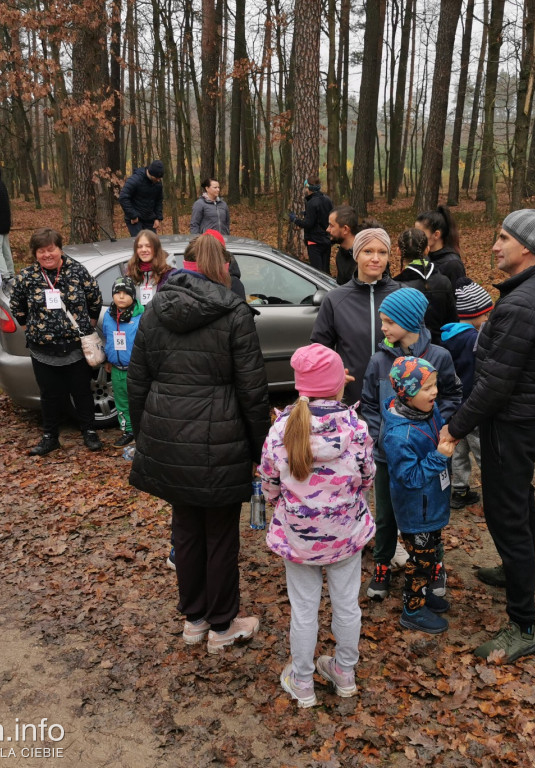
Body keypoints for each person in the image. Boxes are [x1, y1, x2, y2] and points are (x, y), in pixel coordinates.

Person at [127, 233, 269, 654]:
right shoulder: (235, 312)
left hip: (168, 440)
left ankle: (195, 619)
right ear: (223, 267)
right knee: (220, 535)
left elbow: (138, 380)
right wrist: (260, 450)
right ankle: (222, 625)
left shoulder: (155, 310)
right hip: (221, 441)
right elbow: (253, 391)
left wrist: (145, 436)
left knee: (186, 529)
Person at [440, 208, 535, 662]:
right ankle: (515, 572)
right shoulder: (534, 291)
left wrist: (455, 427)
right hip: (522, 420)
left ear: (526, 247)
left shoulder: (522, 304)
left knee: (506, 514)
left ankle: (523, 625)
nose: (494, 246)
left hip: (510, 424)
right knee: (517, 504)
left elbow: (494, 383)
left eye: (503, 238)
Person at [259, 344, 375, 708]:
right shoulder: (356, 428)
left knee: (304, 609)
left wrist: (283, 506)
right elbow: (367, 477)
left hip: (299, 539)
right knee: (346, 605)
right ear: (341, 386)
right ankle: (344, 672)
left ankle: (303, 681)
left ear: (299, 387)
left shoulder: (281, 430)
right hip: (345, 537)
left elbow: (268, 482)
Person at [359, 288, 461, 601]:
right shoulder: (378, 361)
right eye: (382, 321)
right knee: (387, 515)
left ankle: (435, 564)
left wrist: (438, 430)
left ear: (409, 321)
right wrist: (381, 436)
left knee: (431, 512)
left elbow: (453, 395)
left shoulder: (439, 357)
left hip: (430, 455)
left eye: (389, 321)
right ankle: (382, 564)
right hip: (388, 458)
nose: (383, 327)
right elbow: (369, 404)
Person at [9, 228, 103, 455]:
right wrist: (29, 329)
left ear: (60, 249)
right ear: (35, 253)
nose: (47, 255)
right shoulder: (27, 277)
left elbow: (95, 299)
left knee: (81, 392)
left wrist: (86, 325)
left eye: (51, 249)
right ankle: (50, 436)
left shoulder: (77, 271)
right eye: (41, 251)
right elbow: (17, 306)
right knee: (49, 395)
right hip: (43, 350)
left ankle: (89, 432)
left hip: (75, 348)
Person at [382, 356, 457, 634]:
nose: (434, 392)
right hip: (416, 511)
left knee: (432, 553)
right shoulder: (398, 436)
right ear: (406, 393)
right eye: (427, 388)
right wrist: (439, 457)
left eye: (435, 385)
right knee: (421, 562)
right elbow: (409, 478)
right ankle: (412, 609)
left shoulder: (429, 411)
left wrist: (448, 434)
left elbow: (438, 433)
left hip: (432, 504)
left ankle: (424, 595)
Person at [310, 227, 400, 406]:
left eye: (382, 252)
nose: (376, 258)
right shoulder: (335, 299)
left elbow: (421, 345)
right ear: (356, 254)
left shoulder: (403, 295)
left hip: (398, 400)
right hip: (352, 399)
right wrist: (332, 374)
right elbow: (319, 349)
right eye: (368, 251)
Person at [440, 279, 495, 509]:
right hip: (472, 405)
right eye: (486, 316)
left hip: (453, 408)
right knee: (483, 450)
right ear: (476, 315)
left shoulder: (447, 336)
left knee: (458, 449)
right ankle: (496, 490)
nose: (487, 321)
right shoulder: (474, 340)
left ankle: (459, 490)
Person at [392, 227, 457, 338]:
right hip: (441, 348)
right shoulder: (444, 281)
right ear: (427, 249)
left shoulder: (395, 286)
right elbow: (453, 321)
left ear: (398, 251)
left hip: (409, 351)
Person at [102, 276, 143, 447]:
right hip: (117, 369)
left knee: (139, 401)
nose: (121, 297)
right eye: (117, 293)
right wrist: (108, 359)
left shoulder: (141, 316)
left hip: (136, 369)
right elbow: (108, 338)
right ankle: (128, 431)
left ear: (133, 296)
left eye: (126, 293)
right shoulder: (109, 316)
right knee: (122, 402)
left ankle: (143, 431)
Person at [289, 176, 334, 274]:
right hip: (326, 241)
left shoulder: (312, 203)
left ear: (310, 188)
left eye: (306, 187)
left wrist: (295, 220)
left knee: (317, 273)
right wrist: (307, 213)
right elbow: (326, 216)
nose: (305, 189)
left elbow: (308, 224)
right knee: (326, 271)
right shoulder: (327, 199)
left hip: (314, 242)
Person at [416, 206, 467, 287]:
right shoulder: (423, 257)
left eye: (420, 234)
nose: (416, 237)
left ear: (436, 235)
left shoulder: (453, 264)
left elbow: (458, 297)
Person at [126, 229, 175, 306]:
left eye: (148, 246)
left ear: (156, 248)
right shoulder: (131, 272)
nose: (144, 250)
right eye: (139, 246)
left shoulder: (170, 274)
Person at [119, 160, 165, 236]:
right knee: (140, 242)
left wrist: (158, 218)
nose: (158, 180)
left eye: (160, 178)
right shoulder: (135, 180)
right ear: (150, 173)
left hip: (149, 219)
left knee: (152, 244)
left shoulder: (158, 184)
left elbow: (159, 201)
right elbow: (123, 197)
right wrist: (133, 215)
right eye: (156, 177)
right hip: (136, 220)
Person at [326, 205, 361, 286]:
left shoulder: (364, 259)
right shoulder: (342, 253)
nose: (327, 229)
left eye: (331, 226)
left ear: (345, 229)